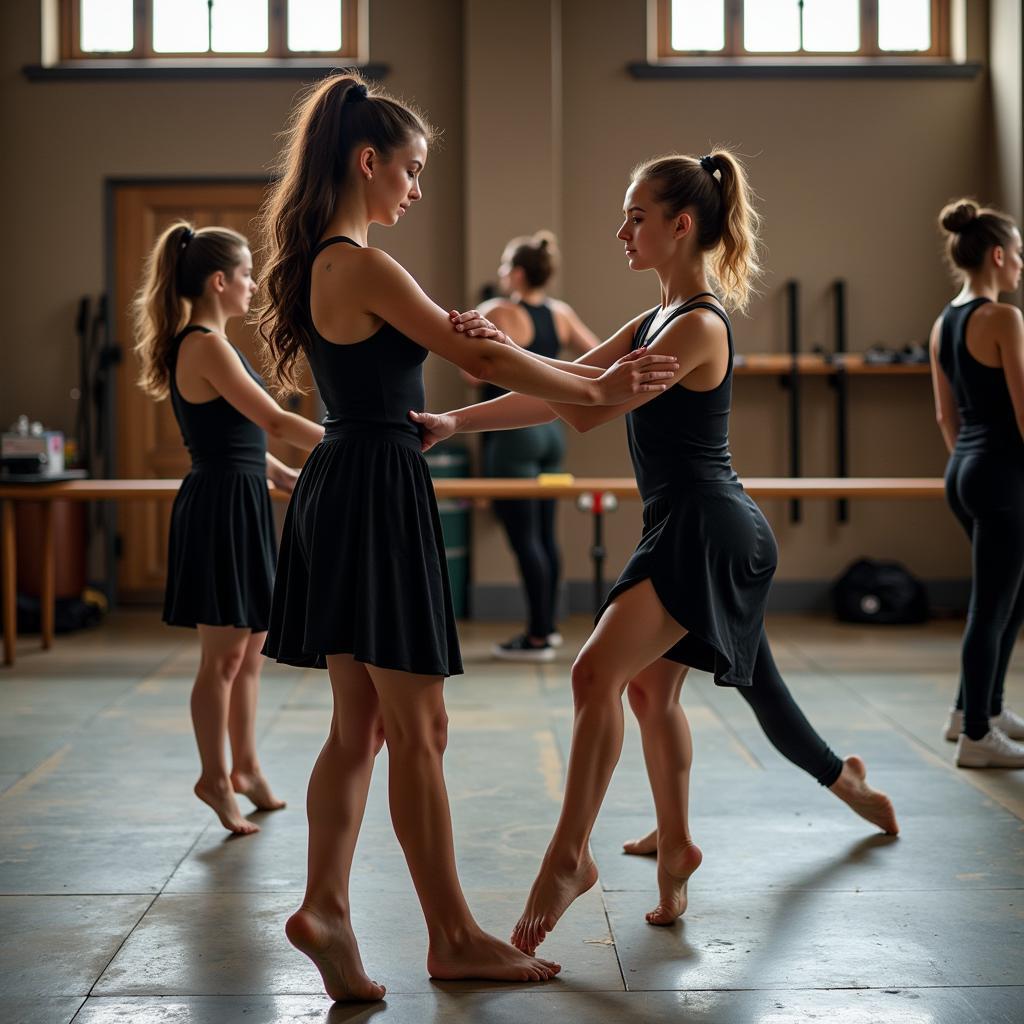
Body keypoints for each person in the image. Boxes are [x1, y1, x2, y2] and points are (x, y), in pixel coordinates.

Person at [254, 73, 678, 1001]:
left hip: (346, 482)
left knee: (359, 729)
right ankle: (451, 935)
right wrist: (597, 392)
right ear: (367, 162)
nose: (414, 188)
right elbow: (481, 358)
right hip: (372, 488)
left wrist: (577, 378)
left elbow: (468, 343)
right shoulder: (360, 262)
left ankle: (326, 905)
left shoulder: (331, 262)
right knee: (418, 728)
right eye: (409, 170)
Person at [412, 150, 897, 948]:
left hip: (710, 527)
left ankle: (569, 857)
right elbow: (565, 390)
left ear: (682, 225)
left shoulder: (700, 326)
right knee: (652, 695)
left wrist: (497, 341)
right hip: (685, 525)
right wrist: (456, 422)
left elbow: (594, 406)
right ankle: (687, 845)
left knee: (597, 674)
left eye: (636, 217)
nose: (621, 231)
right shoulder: (655, 322)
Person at [132, 221, 324, 835]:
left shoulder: (214, 342)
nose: (252, 285)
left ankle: (245, 766)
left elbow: (237, 435)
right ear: (220, 281)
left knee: (248, 653)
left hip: (241, 495)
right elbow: (269, 418)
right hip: (218, 507)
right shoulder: (205, 344)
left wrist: (279, 476)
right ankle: (214, 777)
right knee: (220, 659)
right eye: (245, 275)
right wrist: (349, 443)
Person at [929, 198, 1024, 768]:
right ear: (995, 254)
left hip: (964, 469)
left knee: (1007, 596)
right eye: (1017, 254)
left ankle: (976, 709)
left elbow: (946, 416)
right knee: (991, 606)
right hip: (1001, 475)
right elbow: (1022, 413)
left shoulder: (945, 321)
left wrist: (970, 463)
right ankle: (978, 737)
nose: (1020, 265)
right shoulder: (1003, 318)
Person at [477, 232, 599, 661]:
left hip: (516, 432)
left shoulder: (498, 311)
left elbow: (472, 374)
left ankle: (536, 637)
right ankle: (547, 628)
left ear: (519, 272)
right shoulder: (560, 314)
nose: (500, 273)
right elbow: (599, 358)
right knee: (545, 534)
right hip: (553, 431)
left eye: (505, 266)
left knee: (524, 536)